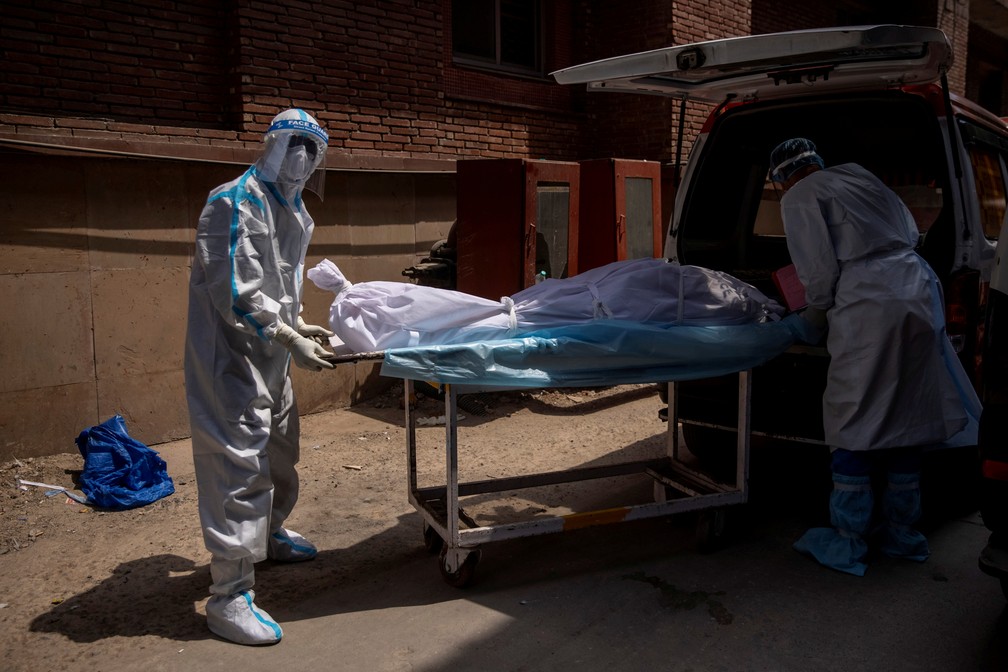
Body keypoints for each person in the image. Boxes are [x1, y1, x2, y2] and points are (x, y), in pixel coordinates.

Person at [769, 137, 980, 576]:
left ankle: (849, 540)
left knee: (854, 415)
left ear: (783, 178)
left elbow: (820, 273)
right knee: (908, 412)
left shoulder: (801, 196)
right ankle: (901, 533)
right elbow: (906, 229)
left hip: (871, 304)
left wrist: (810, 318)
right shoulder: (857, 174)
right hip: (915, 289)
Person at [184, 108, 336, 645]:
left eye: (311, 149)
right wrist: (288, 333)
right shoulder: (233, 201)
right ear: (272, 144)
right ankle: (228, 593)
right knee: (239, 461)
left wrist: (296, 323)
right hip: (231, 355)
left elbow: (281, 281)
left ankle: (268, 535)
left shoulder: (295, 210)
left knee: (280, 448)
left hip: (271, 353)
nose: (301, 157)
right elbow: (237, 293)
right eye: (293, 143)